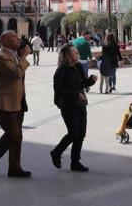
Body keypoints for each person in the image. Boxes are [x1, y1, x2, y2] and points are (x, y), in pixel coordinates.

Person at [0, 30, 32, 178]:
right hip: (6, 102)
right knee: (14, 134)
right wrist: (24, 57)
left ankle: (14, 167)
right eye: (14, 38)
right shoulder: (1, 57)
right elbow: (16, 74)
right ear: (5, 41)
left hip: (18, 100)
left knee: (17, 136)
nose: (18, 40)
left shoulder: (13, 55)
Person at [50, 44, 97, 172]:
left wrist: (90, 81)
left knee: (81, 133)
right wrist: (76, 93)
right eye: (74, 53)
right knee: (73, 133)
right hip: (67, 104)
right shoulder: (61, 70)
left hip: (80, 103)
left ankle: (75, 162)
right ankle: (56, 152)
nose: (77, 54)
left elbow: (82, 84)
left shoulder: (78, 67)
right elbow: (58, 89)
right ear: (68, 56)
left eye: (77, 52)